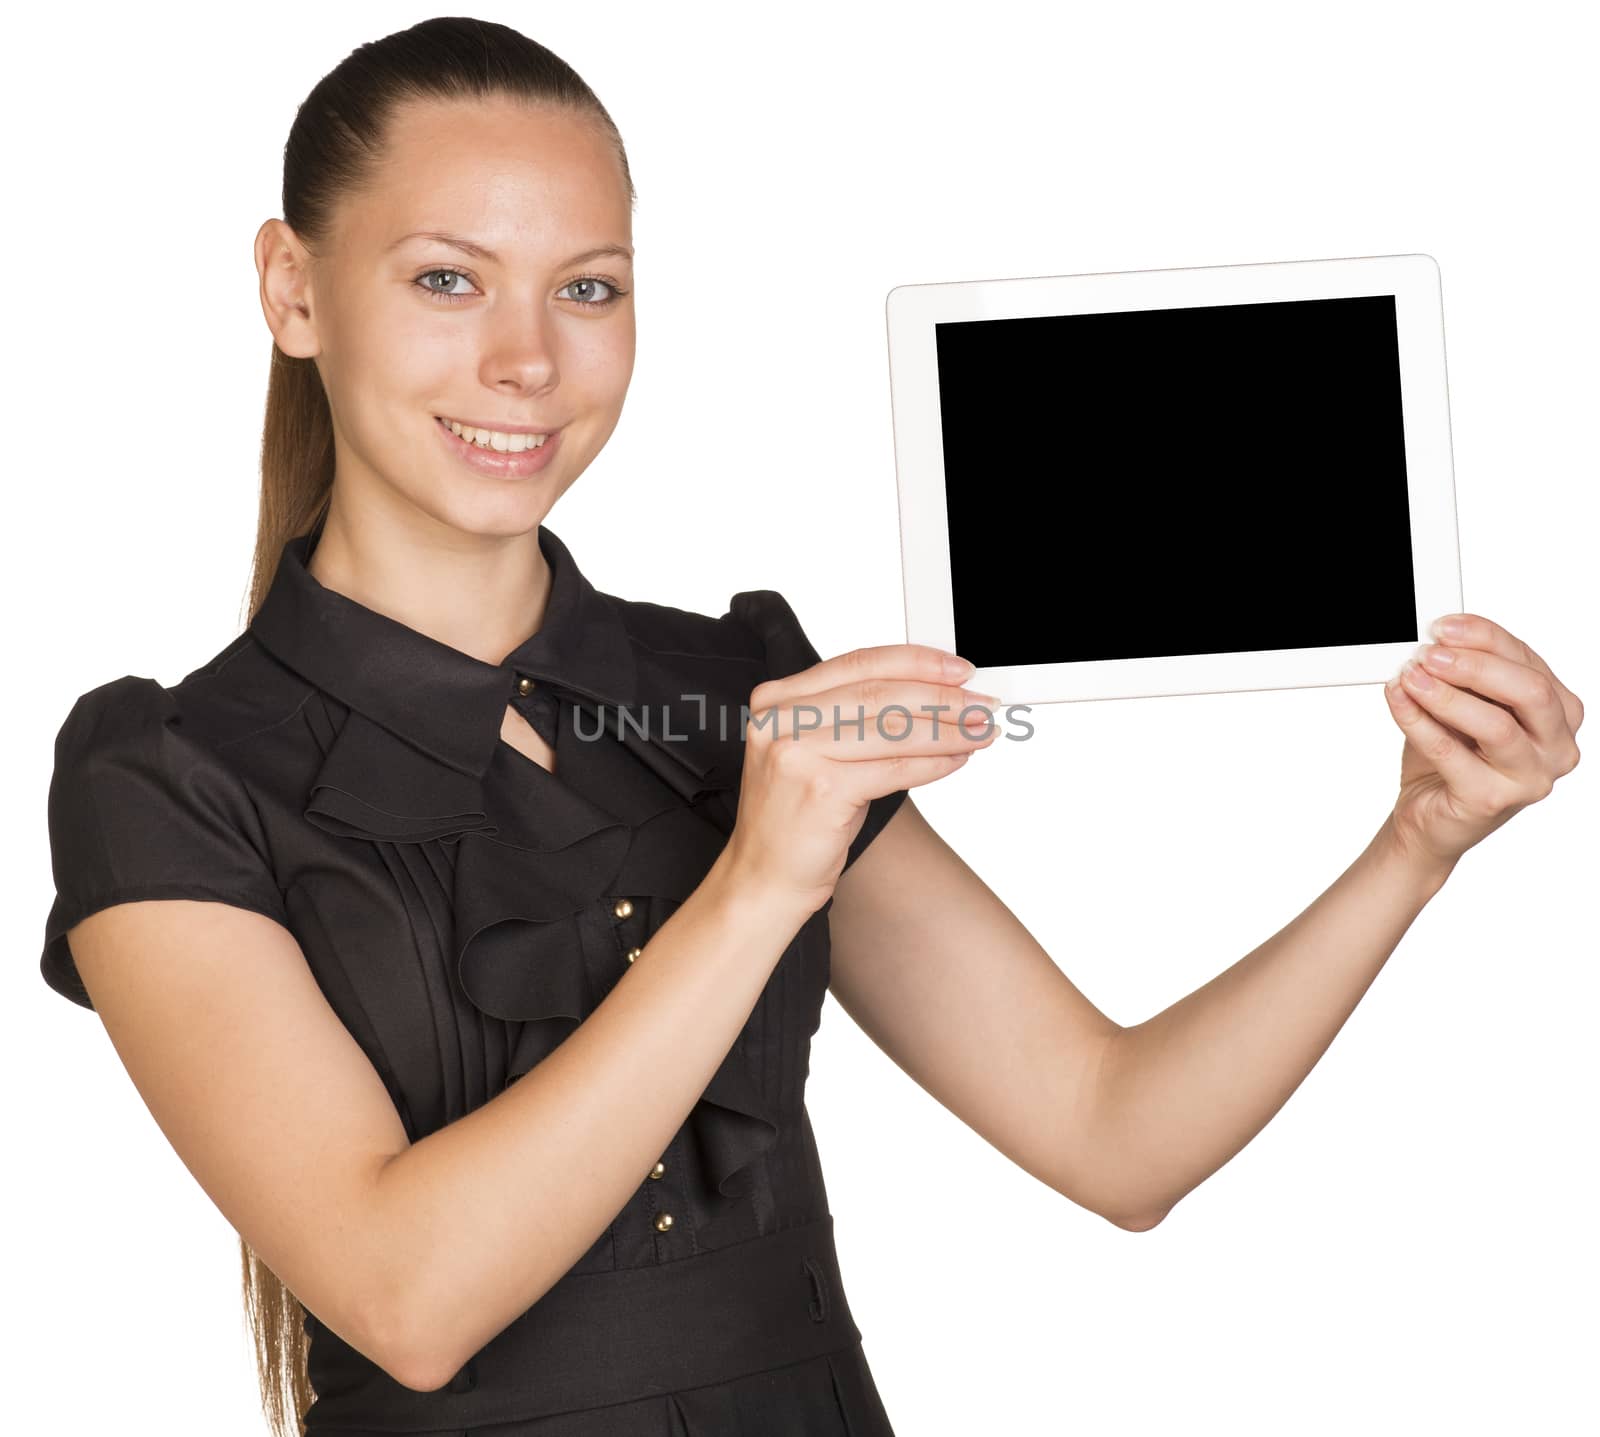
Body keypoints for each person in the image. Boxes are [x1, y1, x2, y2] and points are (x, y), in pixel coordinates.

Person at [38, 16, 1584, 1437]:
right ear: (292, 290)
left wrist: (1418, 842)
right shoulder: (166, 782)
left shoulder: (740, 699)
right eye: (448, 278)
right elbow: (407, 1300)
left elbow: (1119, 1137)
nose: (529, 361)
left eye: (589, 286)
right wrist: (763, 878)